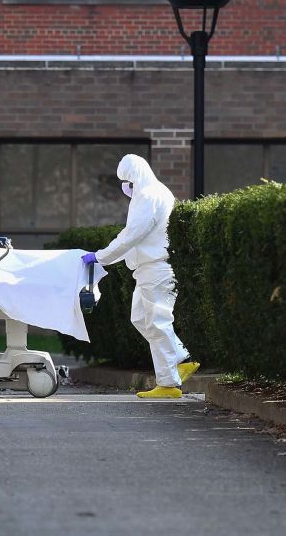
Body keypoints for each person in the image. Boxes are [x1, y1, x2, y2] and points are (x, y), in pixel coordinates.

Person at [82, 154, 199, 398]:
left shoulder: (147, 195)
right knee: (141, 318)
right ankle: (179, 358)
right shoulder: (154, 192)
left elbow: (132, 234)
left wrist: (101, 256)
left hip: (156, 267)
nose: (126, 187)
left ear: (135, 178)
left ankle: (168, 384)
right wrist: (106, 257)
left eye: (128, 182)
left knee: (157, 322)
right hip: (149, 268)